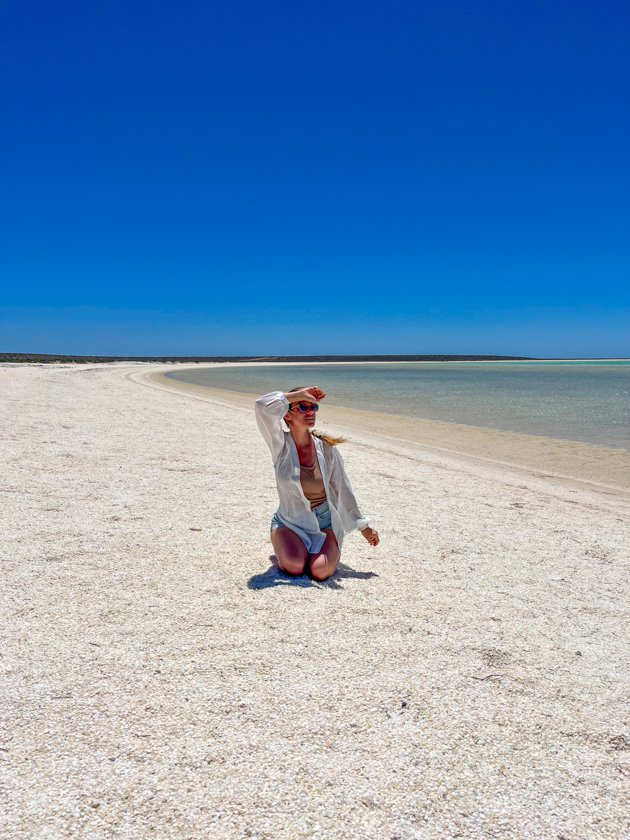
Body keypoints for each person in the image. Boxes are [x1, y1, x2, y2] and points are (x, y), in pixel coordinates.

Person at [255, 385, 379, 580]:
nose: (311, 412)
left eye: (313, 407)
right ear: (287, 415)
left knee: (319, 572)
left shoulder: (326, 449)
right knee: (294, 566)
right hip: (291, 520)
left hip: (325, 521)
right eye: (303, 407)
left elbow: (342, 488)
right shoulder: (280, 446)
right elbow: (262, 406)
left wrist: (363, 526)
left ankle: (309, 549)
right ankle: (282, 539)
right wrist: (297, 395)